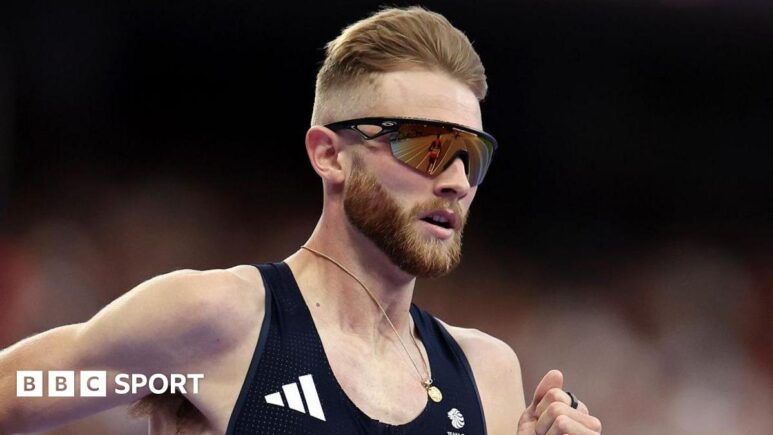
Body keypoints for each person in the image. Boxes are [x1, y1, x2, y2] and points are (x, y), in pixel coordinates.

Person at [0, 7, 603, 435]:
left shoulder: (485, 374)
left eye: (471, 154)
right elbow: (20, 390)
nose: (456, 180)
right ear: (330, 155)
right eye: (426, 147)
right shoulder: (217, 322)